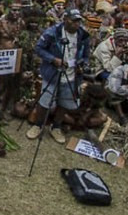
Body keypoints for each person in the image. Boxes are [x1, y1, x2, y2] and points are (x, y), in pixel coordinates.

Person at [26, 8, 90, 144]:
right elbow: (39, 49)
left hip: (72, 75)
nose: (76, 24)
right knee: (45, 100)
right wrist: (53, 59)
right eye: (73, 21)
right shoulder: (53, 32)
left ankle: (56, 127)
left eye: (78, 22)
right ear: (66, 19)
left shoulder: (83, 35)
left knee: (65, 102)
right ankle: (38, 125)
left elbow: (86, 56)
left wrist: (82, 64)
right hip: (53, 74)